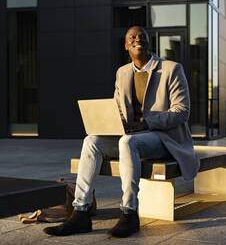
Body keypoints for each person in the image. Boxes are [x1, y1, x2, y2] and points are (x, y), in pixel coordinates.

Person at [43, 26, 200, 238]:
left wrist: (147, 124)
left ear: (149, 42)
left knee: (128, 143)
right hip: (130, 136)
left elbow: (182, 112)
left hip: (164, 139)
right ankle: (80, 213)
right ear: (126, 45)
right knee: (92, 140)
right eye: (132, 37)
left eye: (141, 36)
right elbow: (118, 107)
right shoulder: (122, 72)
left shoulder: (172, 69)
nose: (137, 39)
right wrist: (111, 122)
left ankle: (129, 213)